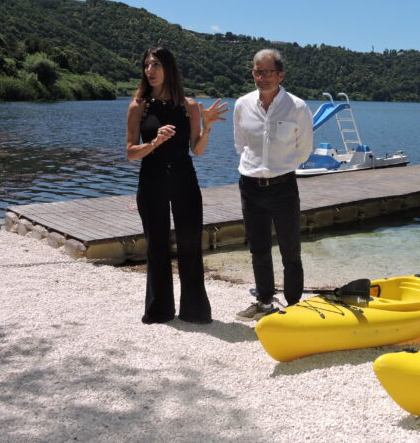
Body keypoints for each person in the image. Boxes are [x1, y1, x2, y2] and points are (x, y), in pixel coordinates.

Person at [126, 46, 229, 325]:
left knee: (190, 246)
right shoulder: (138, 106)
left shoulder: (190, 105)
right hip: (151, 181)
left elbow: (197, 150)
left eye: (156, 64)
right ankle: (159, 312)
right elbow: (131, 152)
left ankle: (194, 312)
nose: (150, 70)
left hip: (184, 180)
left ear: (169, 69)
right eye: (146, 65)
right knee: (156, 247)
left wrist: (206, 127)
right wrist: (155, 142)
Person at [233, 49, 313, 321]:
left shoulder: (298, 107)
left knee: (290, 249)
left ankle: (293, 307)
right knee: (258, 249)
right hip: (250, 187)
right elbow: (240, 144)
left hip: (283, 187)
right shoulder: (242, 104)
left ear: (280, 75)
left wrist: (280, 168)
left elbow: (303, 150)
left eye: (268, 72)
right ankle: (264, 302)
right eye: (258, 71)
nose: (262, 77)